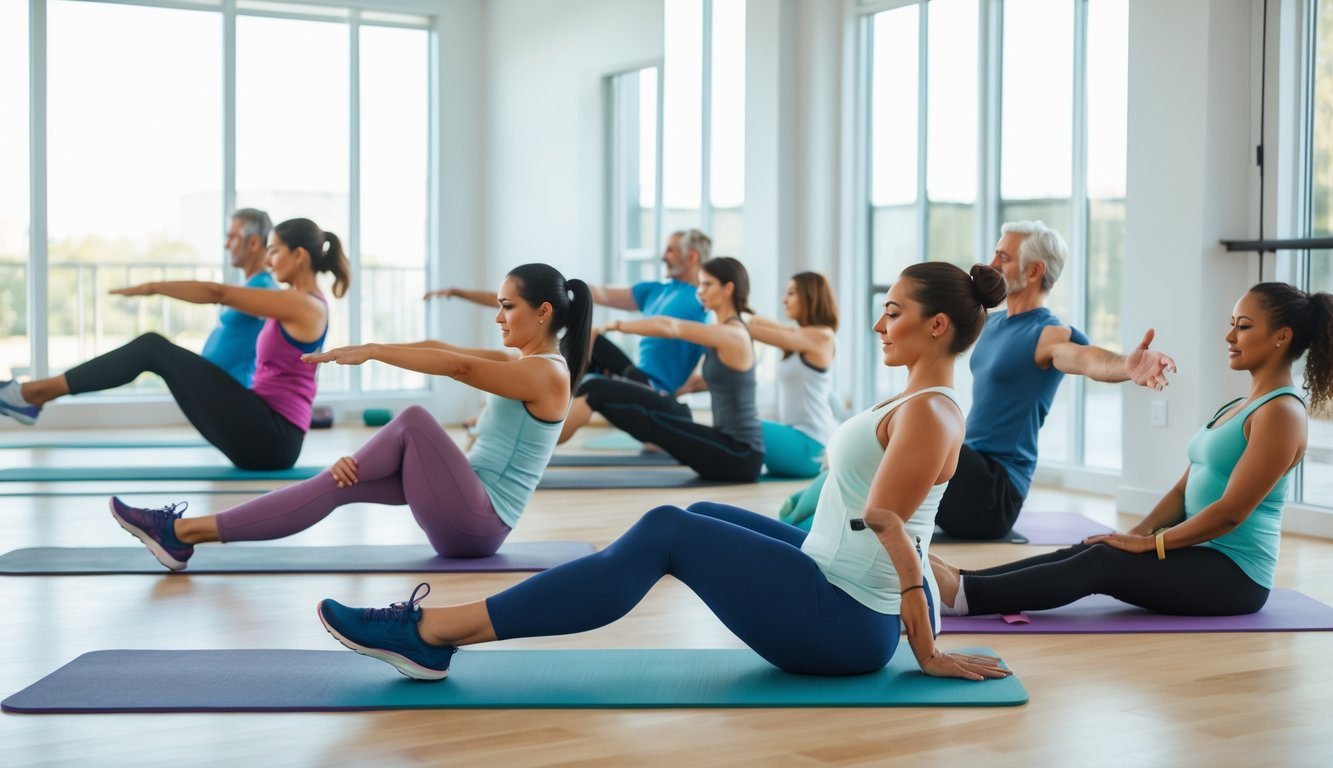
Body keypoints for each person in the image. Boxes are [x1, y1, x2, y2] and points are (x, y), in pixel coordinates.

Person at [313, 261, 1014, 683]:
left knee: (666, 530)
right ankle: (436, 634)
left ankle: (434, 634)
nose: (878, 323)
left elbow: (893, 527)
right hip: (833, 579)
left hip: (847, 622)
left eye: (892, 312)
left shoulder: (929, 413)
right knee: (701, 519)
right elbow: (897, 523)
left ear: (938, 327)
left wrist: (922, 647)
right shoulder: (920, 399)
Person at [108, 263, 592, 571]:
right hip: (465, 507)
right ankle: (182, 535)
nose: (499, 317)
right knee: (333, 486)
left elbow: (457, 367)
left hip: (479, 522)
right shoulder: (524, 364)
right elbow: (441, 348)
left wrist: (377, 353)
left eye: (508, 307)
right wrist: (368, 347)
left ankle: (355, 461)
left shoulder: (549, 376)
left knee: (415, 420)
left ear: (543, 312)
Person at [931, 282, 1329, 619]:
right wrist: (1133, 534)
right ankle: (969, 579)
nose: (1229, 337)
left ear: (1282, 336)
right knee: (1097, 545)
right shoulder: (1238, 407)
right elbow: (1179, 492)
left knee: (1102, 564)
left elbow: (1230, 513)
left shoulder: (1282, 413)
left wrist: (1151, 544)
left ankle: (966, 598)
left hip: (1234, 575)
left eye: (1242, 327)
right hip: (1195, 552)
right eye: (1231, 325)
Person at [780, 221, 1178, 538]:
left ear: (1035, 270)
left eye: (1003, 256)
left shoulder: (1049, 334)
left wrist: (1128, 365)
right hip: (963, 466)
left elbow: (1089, 360)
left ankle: (792, 527)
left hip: (994, 491)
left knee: (877, 446)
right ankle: (798, 530)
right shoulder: (990, 322)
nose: (991, 264)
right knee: (866, 454)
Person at [0, 218, 347, 470]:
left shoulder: (305, 305)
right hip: (266, 430)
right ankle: (32, 396)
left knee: (152, 348)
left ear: (299, 255)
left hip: (274, 438)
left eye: (275, 252)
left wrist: (152, 287)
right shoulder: (295, 301)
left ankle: (32, 395)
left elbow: (218, 293)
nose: (270, 261)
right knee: (153, 350)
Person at [578, 257, 764, 482]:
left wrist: (616, 325)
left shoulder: (733, 334)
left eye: (707, 284)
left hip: (740, 454)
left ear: (728, 288)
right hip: (729, 446)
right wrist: (670, 396)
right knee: (655, 416)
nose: (699, 291)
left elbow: (671, 326)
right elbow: (706, 382)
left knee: (655, 423)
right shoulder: (723, 331)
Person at [203, 208, 279, 386]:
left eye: (232, 237)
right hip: (213, 384)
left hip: (231, 388)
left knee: (152, 347)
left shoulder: (264, 289)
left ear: (253, 243)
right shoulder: (253, 286)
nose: (226, 244)